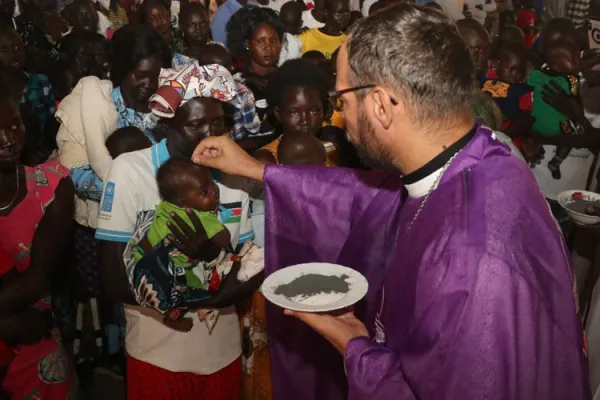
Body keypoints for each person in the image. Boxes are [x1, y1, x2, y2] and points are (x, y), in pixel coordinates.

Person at [191, 4, 589, 399]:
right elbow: (363, 197)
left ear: (381, 104)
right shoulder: (480, 158)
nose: (340, 119)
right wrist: (260, 170)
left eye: (341, 101)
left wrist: (356, 350)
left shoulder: (473, 258)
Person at [96, 61, 260, 400]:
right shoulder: (130, 171)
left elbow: (244, 268)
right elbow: (113, 278)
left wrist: (212, 258)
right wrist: (184, 297)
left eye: (218, 123)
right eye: (196, 125)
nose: (210, 135)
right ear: (167, 125)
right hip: (157, 357)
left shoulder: (233, 173)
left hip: (221, 354)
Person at [0, 85, 76, 399]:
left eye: (14, 125)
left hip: (34, 341)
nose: (7, 140)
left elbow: (36, 282)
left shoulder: (51, 187)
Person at [255, 58, 340, 166]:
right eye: (294, 112)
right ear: (278, 113)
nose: (305, 121)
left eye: (313, 110)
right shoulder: (267, 160)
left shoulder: (334, 149)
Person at [528, 38, 580, 179]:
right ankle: (556, 162)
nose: (578, 62)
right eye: (573, 59)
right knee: (570, 138)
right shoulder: (571, 81)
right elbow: (575, 100)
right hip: (558, 128)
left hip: (536, 127)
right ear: (557, 66)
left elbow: (529, 81)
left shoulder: (538, 75)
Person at [110, 24, 171, 143]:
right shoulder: (107, 107)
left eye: (156, 77)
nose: (149, 84)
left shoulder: (166, 104)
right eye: (140, 76)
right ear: (124, 70)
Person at [227, 6, 283, 128]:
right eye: (260, 41)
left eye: (273, 41)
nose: (268, 47)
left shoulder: (286, 77)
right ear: (247, 44)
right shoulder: (236, 81)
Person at [481, 43, 532, 130]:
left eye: (520, 71)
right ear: (497, 64)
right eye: (511, 69)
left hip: (504, 128)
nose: (515, 74)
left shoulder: (521, 90)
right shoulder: (485, 79)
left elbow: (526, 114)